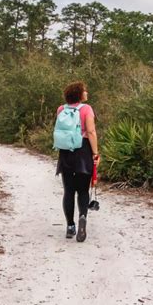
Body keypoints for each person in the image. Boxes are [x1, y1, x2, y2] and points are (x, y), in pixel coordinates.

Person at [56, 81, 100, 242]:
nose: (86, 92)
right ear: (80, 94)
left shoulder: (61, 109)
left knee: (68, 190)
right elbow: (91, 131)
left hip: (66, 151)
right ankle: (82, 217)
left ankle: (70, 226)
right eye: (85, 90)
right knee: (82, 190)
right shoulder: (87, 109)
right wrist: (95, 153)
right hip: (83, 150)